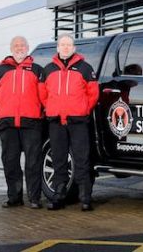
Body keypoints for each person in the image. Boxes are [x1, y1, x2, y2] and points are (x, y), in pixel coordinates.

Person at [41, 34, 99, 211]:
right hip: (56, 121)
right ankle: (58, 196)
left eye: (69, 45)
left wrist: (83, 109)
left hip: (78, 121)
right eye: (62, 45)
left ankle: (85, 198)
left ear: (74, 48)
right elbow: (42, 95)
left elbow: (93, 94)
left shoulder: (85, 68)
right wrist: (51, 107)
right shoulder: (48, 69)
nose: (65, 48)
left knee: (82, 159)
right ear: (57, 48)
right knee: (59, 160)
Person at [0, 36, 45, 209]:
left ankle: (35, 199)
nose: (19, 48)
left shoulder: (37, 69)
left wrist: (37, 110)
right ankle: (14, 198)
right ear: (11, 48)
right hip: (8, 123)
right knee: (10, 161)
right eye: (16, 45)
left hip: (32, 122)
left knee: (33, 162)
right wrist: (4, 109)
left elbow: (43, 95)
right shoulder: (0, 70)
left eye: (22, 45)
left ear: (28, 48)